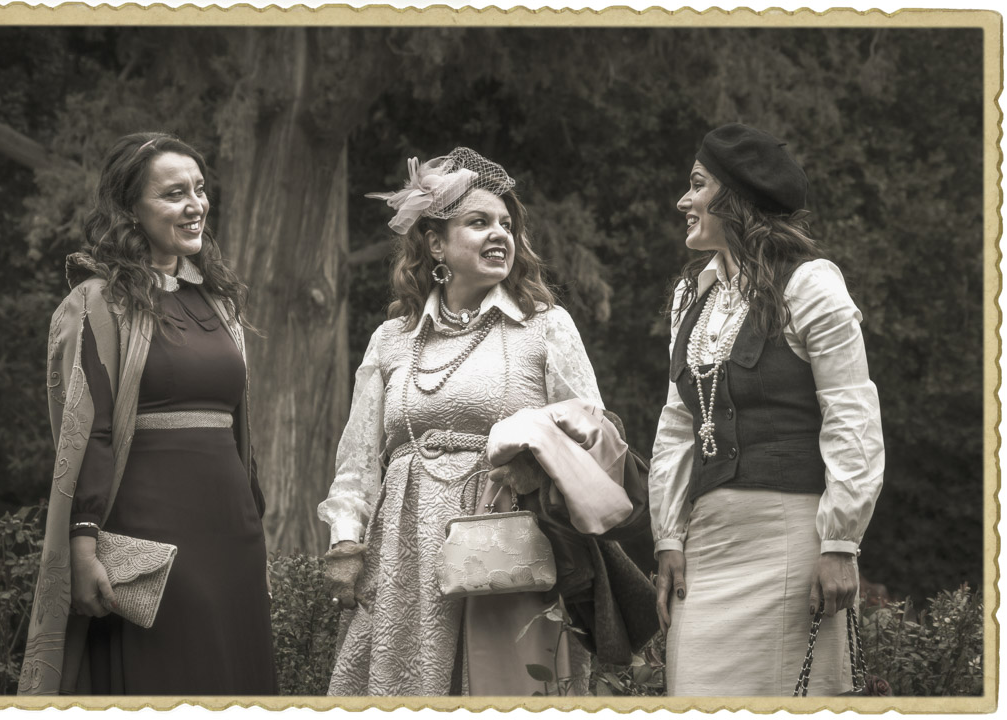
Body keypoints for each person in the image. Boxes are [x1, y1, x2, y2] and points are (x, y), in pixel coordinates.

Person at [317, 148, 642, 696]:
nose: (499, 234)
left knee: (508, 688)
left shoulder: (545, 326)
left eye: (506, 224)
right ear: (435, 244)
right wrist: (347, 543)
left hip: (509, 540)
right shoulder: (391, 339)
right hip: (404, 548)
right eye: (479, 222)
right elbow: (357, 462)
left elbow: (597, 432)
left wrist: (538, 464)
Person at [19, 132, 276, 695]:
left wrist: (255, 515)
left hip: (232, 529)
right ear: (130, 208)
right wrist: (83, 544)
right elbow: (89, 431)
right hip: (150, 533)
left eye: (200, 190)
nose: (195, 205)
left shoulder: (218, 302)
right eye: (173, 194)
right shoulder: (97, 303)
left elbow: (241, 428)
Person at [649, 124, 884, 696]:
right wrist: (668, 537)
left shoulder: (810, 285)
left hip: (790, 542)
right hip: (707, 543)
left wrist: (839, 544)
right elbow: (677, 425)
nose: (683, 200)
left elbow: (852, 416)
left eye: (697, 185)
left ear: (735, 198)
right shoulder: (691, 296)